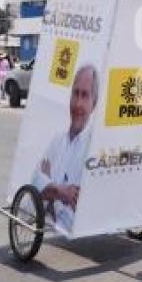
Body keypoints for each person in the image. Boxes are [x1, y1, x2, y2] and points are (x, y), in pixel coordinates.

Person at [31, 64, 99, 232]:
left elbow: (79, 206)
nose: (78, 104)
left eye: (85, 96)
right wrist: (61, 192)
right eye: (75, 93)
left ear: (94, 103)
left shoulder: (93, 149)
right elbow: (34, 182)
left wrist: (49, 188)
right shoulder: (57, 140)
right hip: (50, 232)